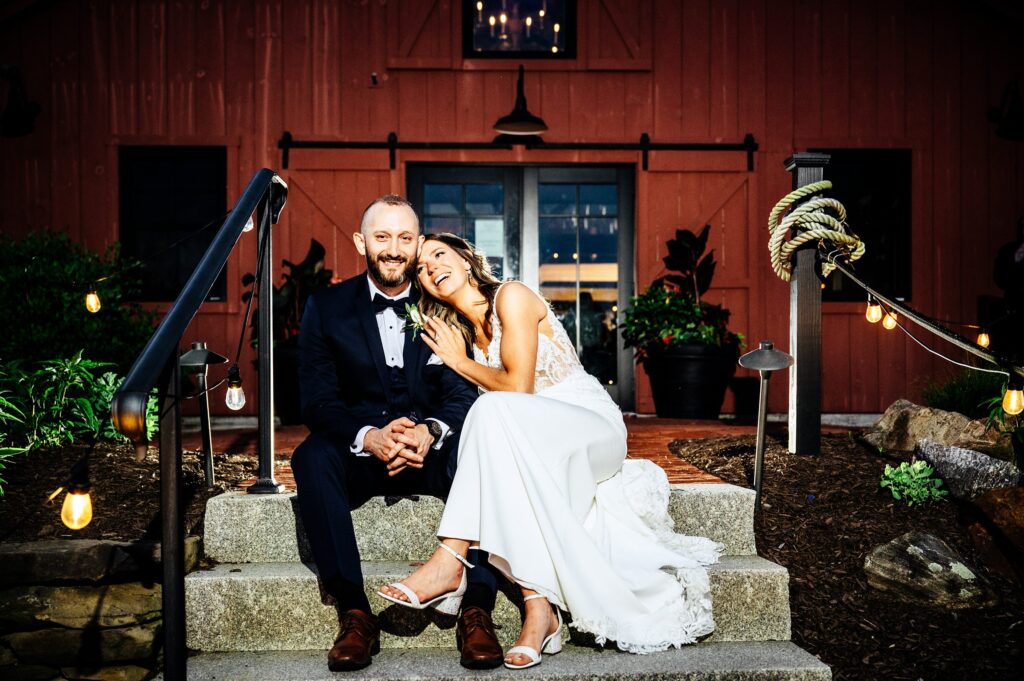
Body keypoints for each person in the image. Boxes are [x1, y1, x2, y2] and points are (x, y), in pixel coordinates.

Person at [378, 233, 722, 670]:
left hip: (589, 427)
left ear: (466, 260)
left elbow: (519, 387)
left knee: (492, 408)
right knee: (500, 448)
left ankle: (450, 559)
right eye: (422, 270)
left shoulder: (512, 296)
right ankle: (539, 611)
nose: (431, 270)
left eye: (439, 256)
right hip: (535, 440)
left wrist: (458, 361)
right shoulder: (462, 334)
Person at [291, 197, 505, 672]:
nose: (393, 249)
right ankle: (354, 612)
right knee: (310, 458)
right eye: (382, 237)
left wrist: (431, 431)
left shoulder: (441, 303)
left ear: (417, 244)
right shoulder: (326, 308)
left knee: (488, 452)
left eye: (405, 238)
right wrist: (368, 436)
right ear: (360, 241)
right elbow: (317, 400)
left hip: (431, 453)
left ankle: (477, 610)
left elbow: (461, 391)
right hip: (363, 451)